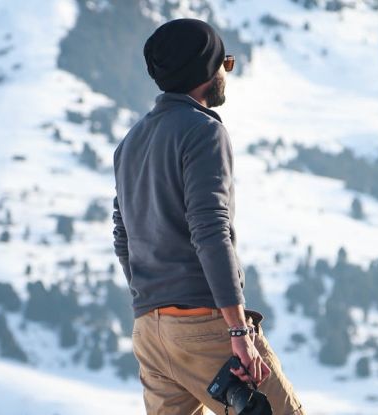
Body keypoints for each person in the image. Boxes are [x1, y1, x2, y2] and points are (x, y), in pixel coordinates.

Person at [112, 17, 306, 415]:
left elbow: (122, 235)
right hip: (205, 328)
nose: (226, 72)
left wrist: (153, 302)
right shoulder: (202, 131)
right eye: (225, 63)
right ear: (205, 70)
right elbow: (210, 229)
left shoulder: (130, 143)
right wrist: (237, 329)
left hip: (149, 332)